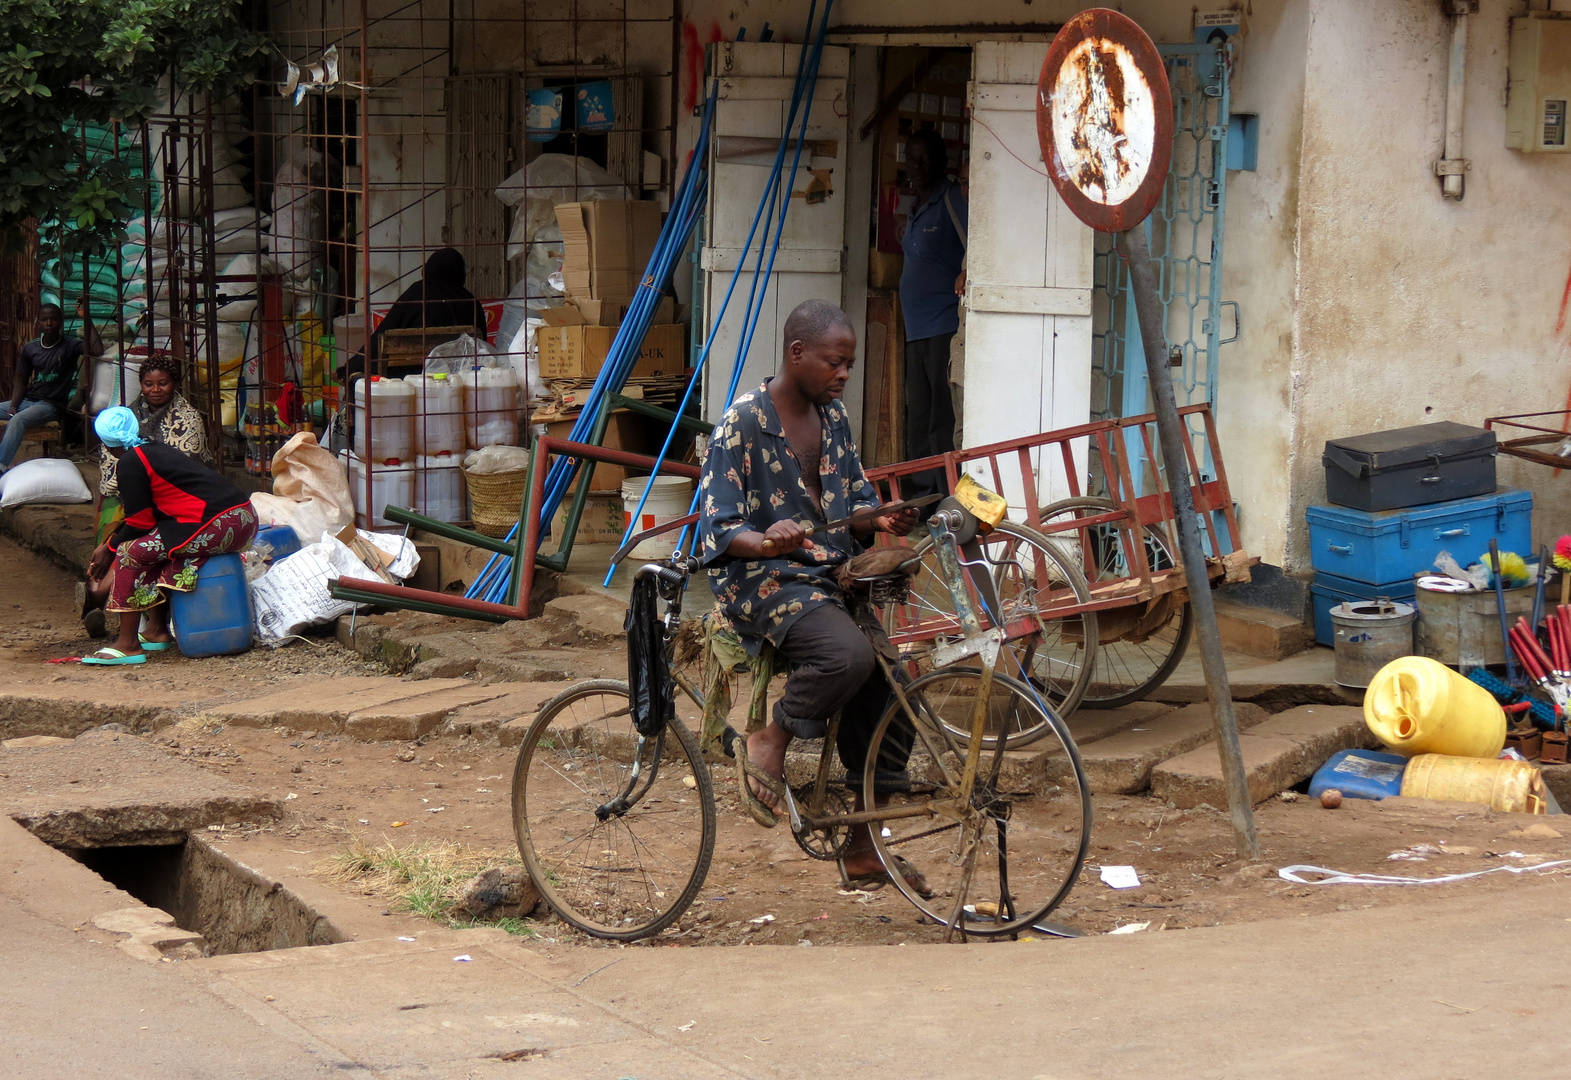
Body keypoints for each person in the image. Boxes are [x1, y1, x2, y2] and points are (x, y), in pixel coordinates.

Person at [697, 298, 925, 892]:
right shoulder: (742, 422)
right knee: (843, 657)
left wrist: (879, 521)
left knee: (897, 689)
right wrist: (764, 540)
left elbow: (848, 504)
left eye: (848, 364)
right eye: (834, 362)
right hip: (763, 582)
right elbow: (718, 527)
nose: (843, 374)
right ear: (797, 354)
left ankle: (864, 843)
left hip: (828, 576)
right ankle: (769, 738)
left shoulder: (833, 416)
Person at [81, 406, 256, 666]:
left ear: (105, 444)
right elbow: (151, 519)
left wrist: (110, 547)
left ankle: (128, 644)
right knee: (156, 546)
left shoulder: (130, 462)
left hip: (219, 523)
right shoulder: (153, 449)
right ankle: (157, 629)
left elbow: (139, 522)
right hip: (243, 517)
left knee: (131, 551)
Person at [898, 128, 967, 497]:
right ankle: (921, 499)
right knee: (919, 416)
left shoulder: (952, 199)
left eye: (926, 157)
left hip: (944, 324)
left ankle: (945, 498)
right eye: (912, 157)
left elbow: (979, 244)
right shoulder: (916, 205)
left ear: (941, 162)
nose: (918, 164)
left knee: (942, 418)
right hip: (916, 329)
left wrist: (968, 269)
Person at [341, 247, 488, 380]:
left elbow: (385, 330)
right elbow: (482, 346)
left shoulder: (417, 293)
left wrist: (350, 367)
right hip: (462, 378)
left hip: (411, 376)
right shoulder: (471, 302)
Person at [1, 299, 102, 471]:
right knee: (14, 414)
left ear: (61, 323)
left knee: (18, 421)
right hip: (28, 400)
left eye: (54, 319)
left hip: (51, 405)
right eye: (44, 319)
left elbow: (97, 350)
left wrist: (87, 318)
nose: (49, 323)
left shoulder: (70, 345)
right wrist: (13, 405)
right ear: (37, 322)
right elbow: (21, 380)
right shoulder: (30, 348)